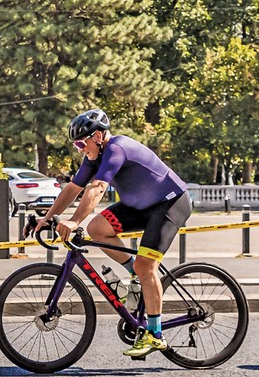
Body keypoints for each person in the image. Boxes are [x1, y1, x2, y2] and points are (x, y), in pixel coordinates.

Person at [36, 109, 192, 359]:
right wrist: (47, 217)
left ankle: (155, 334)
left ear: (97, 136)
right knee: (97, 228)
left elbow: (96, 189)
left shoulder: (117, 149)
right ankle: (136, 276)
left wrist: (75, 221)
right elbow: (74, 188)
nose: (78, 149)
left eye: (80, 143)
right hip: (141, 206)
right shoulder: (93, 157)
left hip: (169, 204)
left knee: (147, 266)